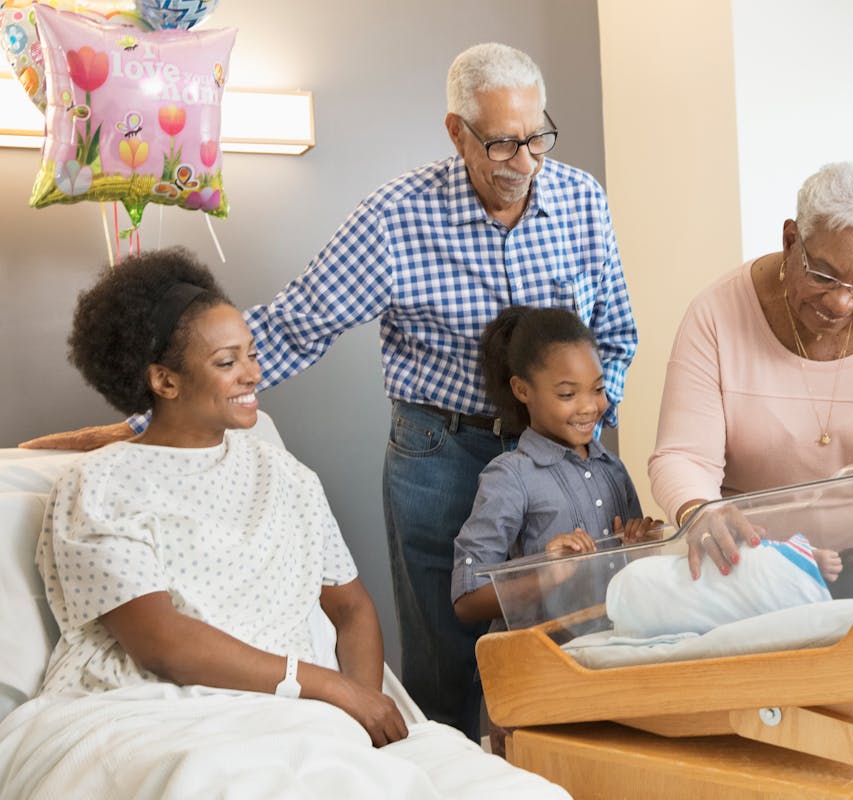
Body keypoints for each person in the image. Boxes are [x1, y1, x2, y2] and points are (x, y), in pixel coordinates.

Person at [23, 43, 638, 739]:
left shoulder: (581, 199)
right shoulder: (396, 218)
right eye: (502, 145)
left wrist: (578, 425)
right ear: (457, 133)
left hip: (554, 456)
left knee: (567, 635)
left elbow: (615, 331)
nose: (525, 164)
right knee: (444, 656)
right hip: (442, 452)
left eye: (536, 140)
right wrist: (149, 419)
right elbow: (291, 327)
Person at [37, 247, 407, 748]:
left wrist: (361, 712)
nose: (252, 374)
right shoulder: (101, 485)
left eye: (252, 353)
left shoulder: (287, 475)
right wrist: (329, 687)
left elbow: (352, 610)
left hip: (305, 716)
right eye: (227, 362)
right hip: (159, 713)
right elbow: (162, 646)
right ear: (164, 380)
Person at [648, 161, 853, 578]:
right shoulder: (716, 314)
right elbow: (684, 456)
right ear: (791, 240)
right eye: (823, 275)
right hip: (759, 577)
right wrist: (698, 510)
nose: (841, 302)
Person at [451, 305, 657, 627]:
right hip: (545, 665)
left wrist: (640, 550)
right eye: (567, 394)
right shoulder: (510, 476)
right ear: (522, 390)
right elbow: (467, 600)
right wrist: (546, 576)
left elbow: (632, 577)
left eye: (598, 389)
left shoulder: (612, 468)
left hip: (617, 652)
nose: (590, 406)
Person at [606, 535, 853, 639]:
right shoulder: (801, 581)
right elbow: (762, 558)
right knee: (690, 587)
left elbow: (774, 553)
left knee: (684, 594)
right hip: (649, 588)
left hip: (640, 582)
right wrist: (810, 556)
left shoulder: (813, 603)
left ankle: (634, 605)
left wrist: (809, 553)